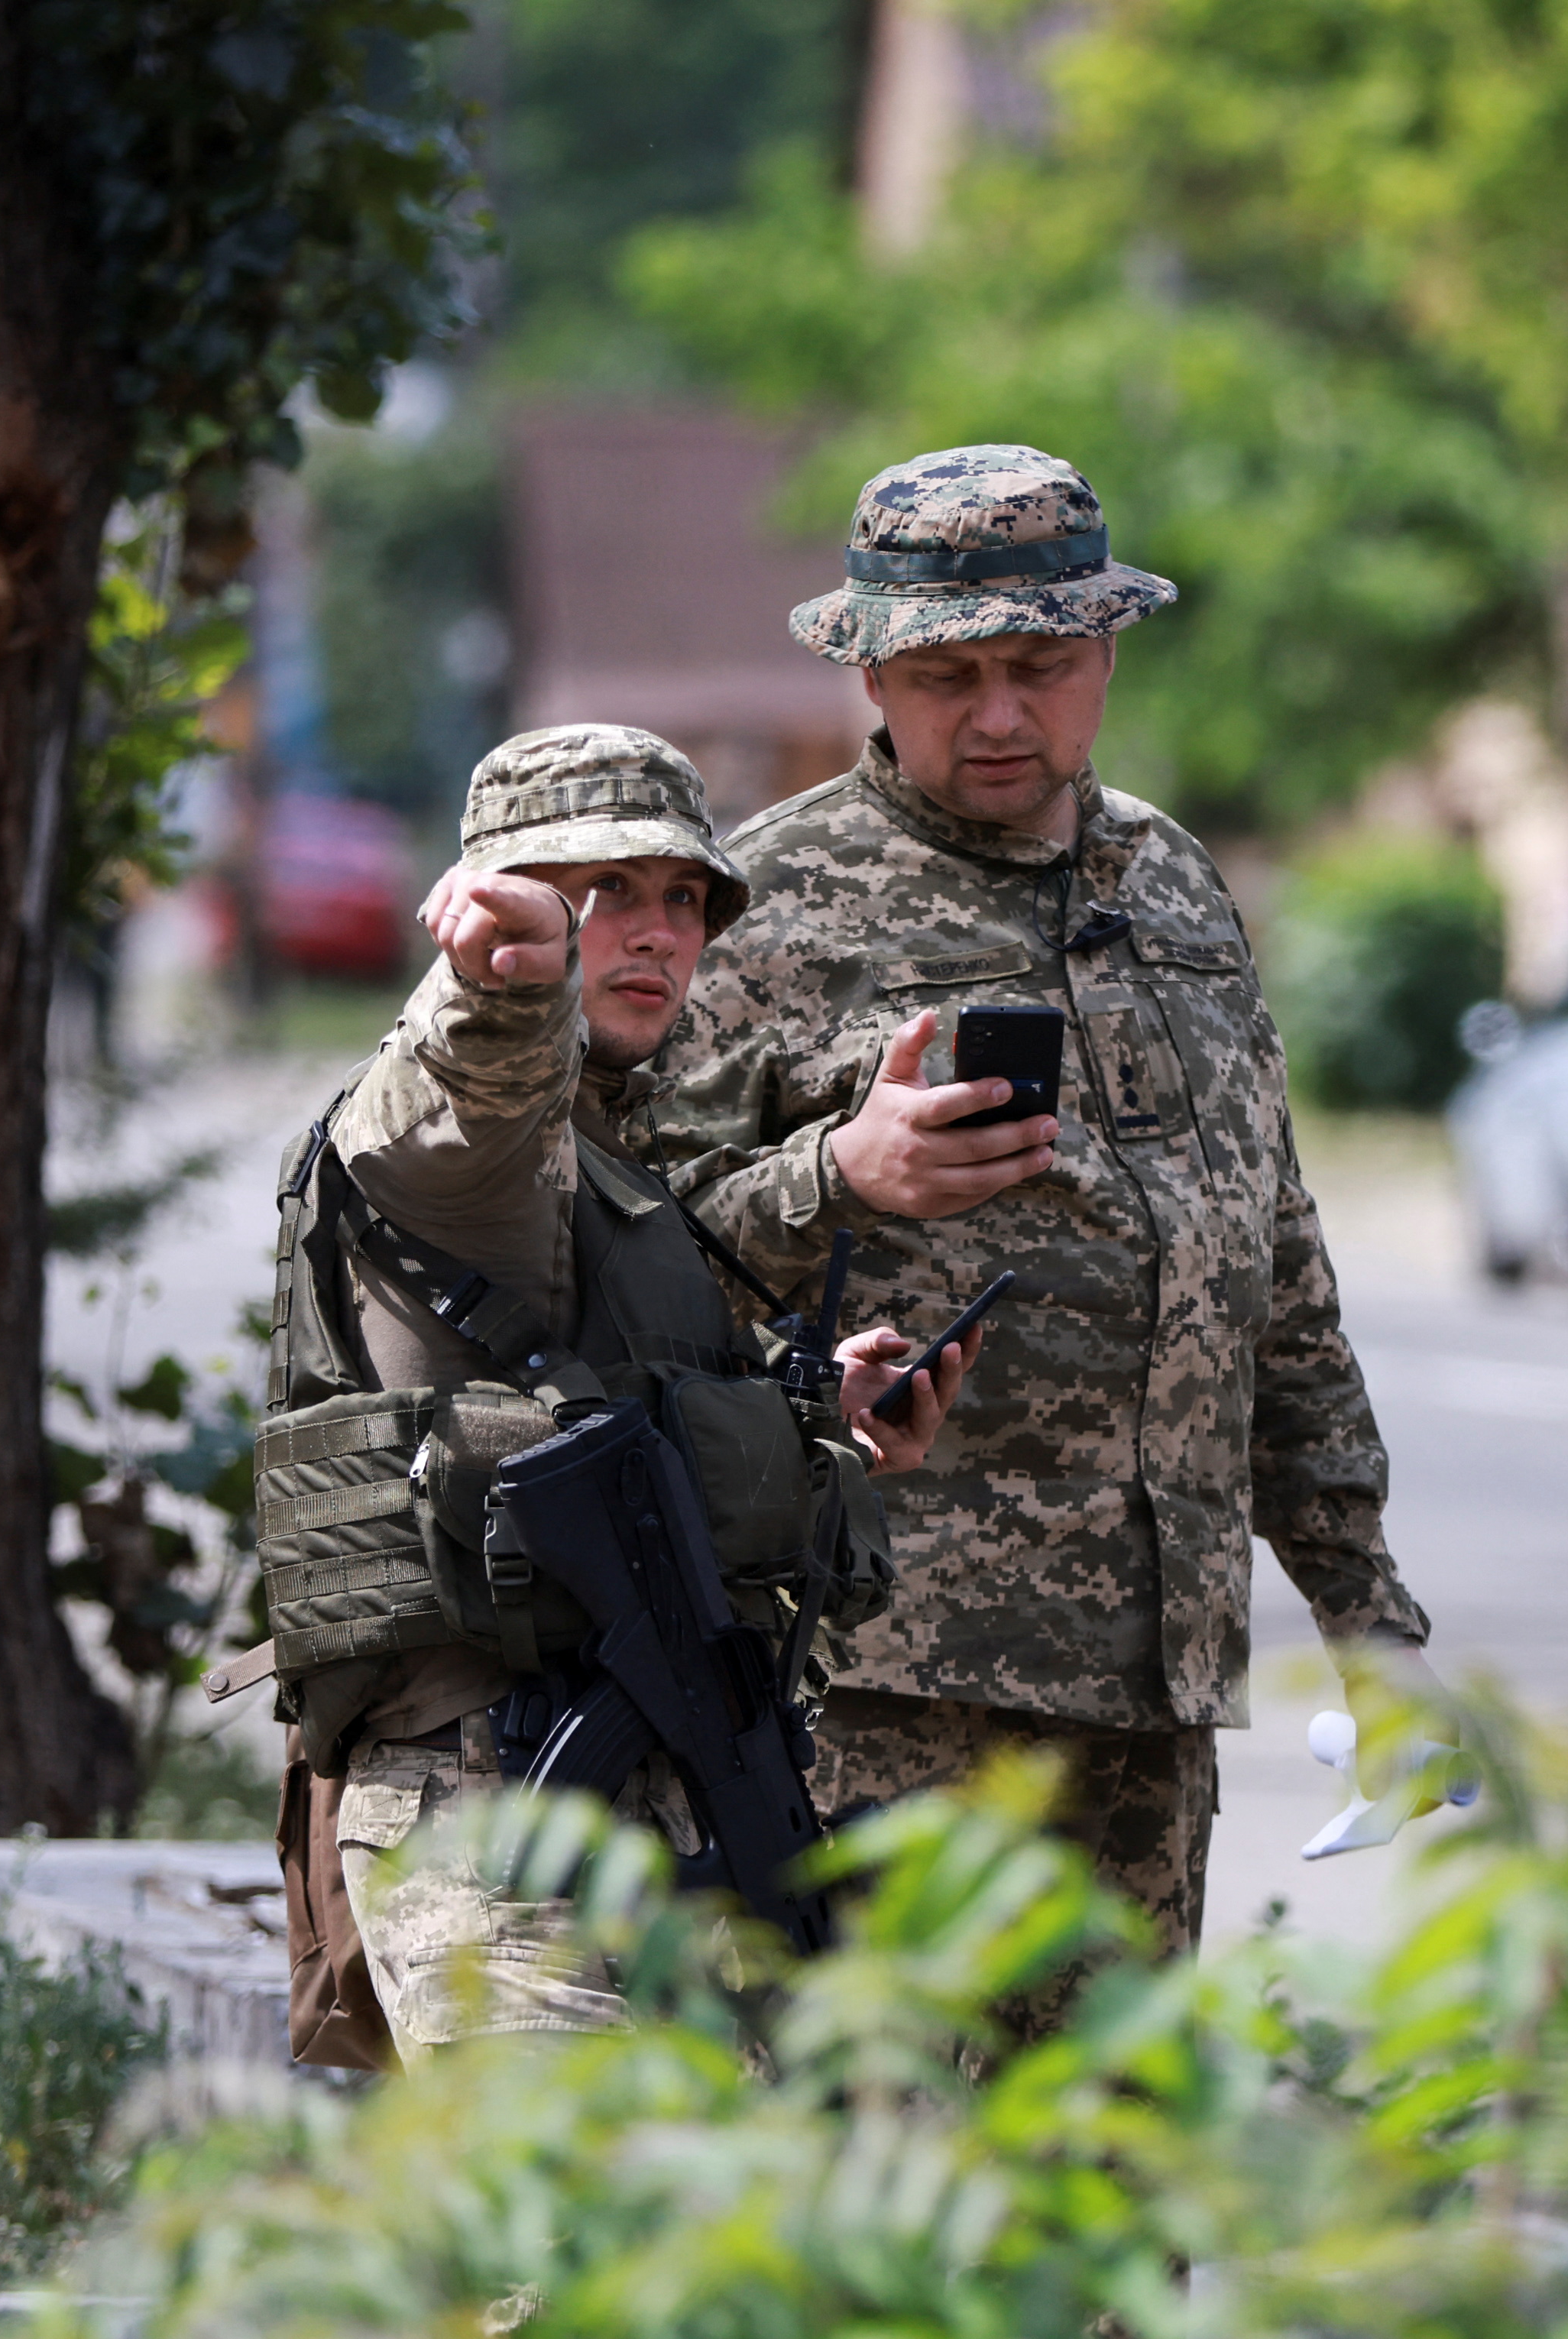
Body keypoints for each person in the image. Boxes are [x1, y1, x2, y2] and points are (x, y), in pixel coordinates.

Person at [640, 445, 1430, 2037]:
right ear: (868, 668)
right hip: (872, 1688)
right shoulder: (762, 908)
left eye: (1040, 667)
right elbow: (628, 1268)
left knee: (1118, 2192)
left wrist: (1367, 1620)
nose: (999, 715)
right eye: (948, 674)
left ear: (1106, 655)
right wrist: (837, 1180)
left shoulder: (1176, 886)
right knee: (889, 2192)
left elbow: (1271, 1274)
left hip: (1148, 1691)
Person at [258, 724, 973, 2066]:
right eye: (604, 895)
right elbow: (467, 1091)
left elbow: (618, 1428)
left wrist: (817, 1430)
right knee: (574, 2261)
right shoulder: (458, 1132)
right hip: (484, 1802)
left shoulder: (614, 1171)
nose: (653, 934)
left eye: (682, 899)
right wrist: (506, 980)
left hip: (652, 1802)